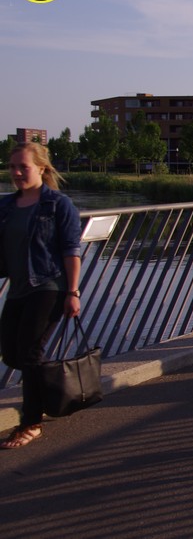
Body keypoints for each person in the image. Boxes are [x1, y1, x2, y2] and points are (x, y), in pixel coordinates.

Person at [0, 142, 82, 449]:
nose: (17, 173)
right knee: (11, 353)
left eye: (24, 167)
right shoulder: (6, 205)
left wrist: (72, 292)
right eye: (12, 167)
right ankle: (52, 392)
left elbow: (71, 251)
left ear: (42, 168)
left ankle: (31, 422)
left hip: (49, 286)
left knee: (30, 352)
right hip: (18, 288)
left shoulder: (57, 204)